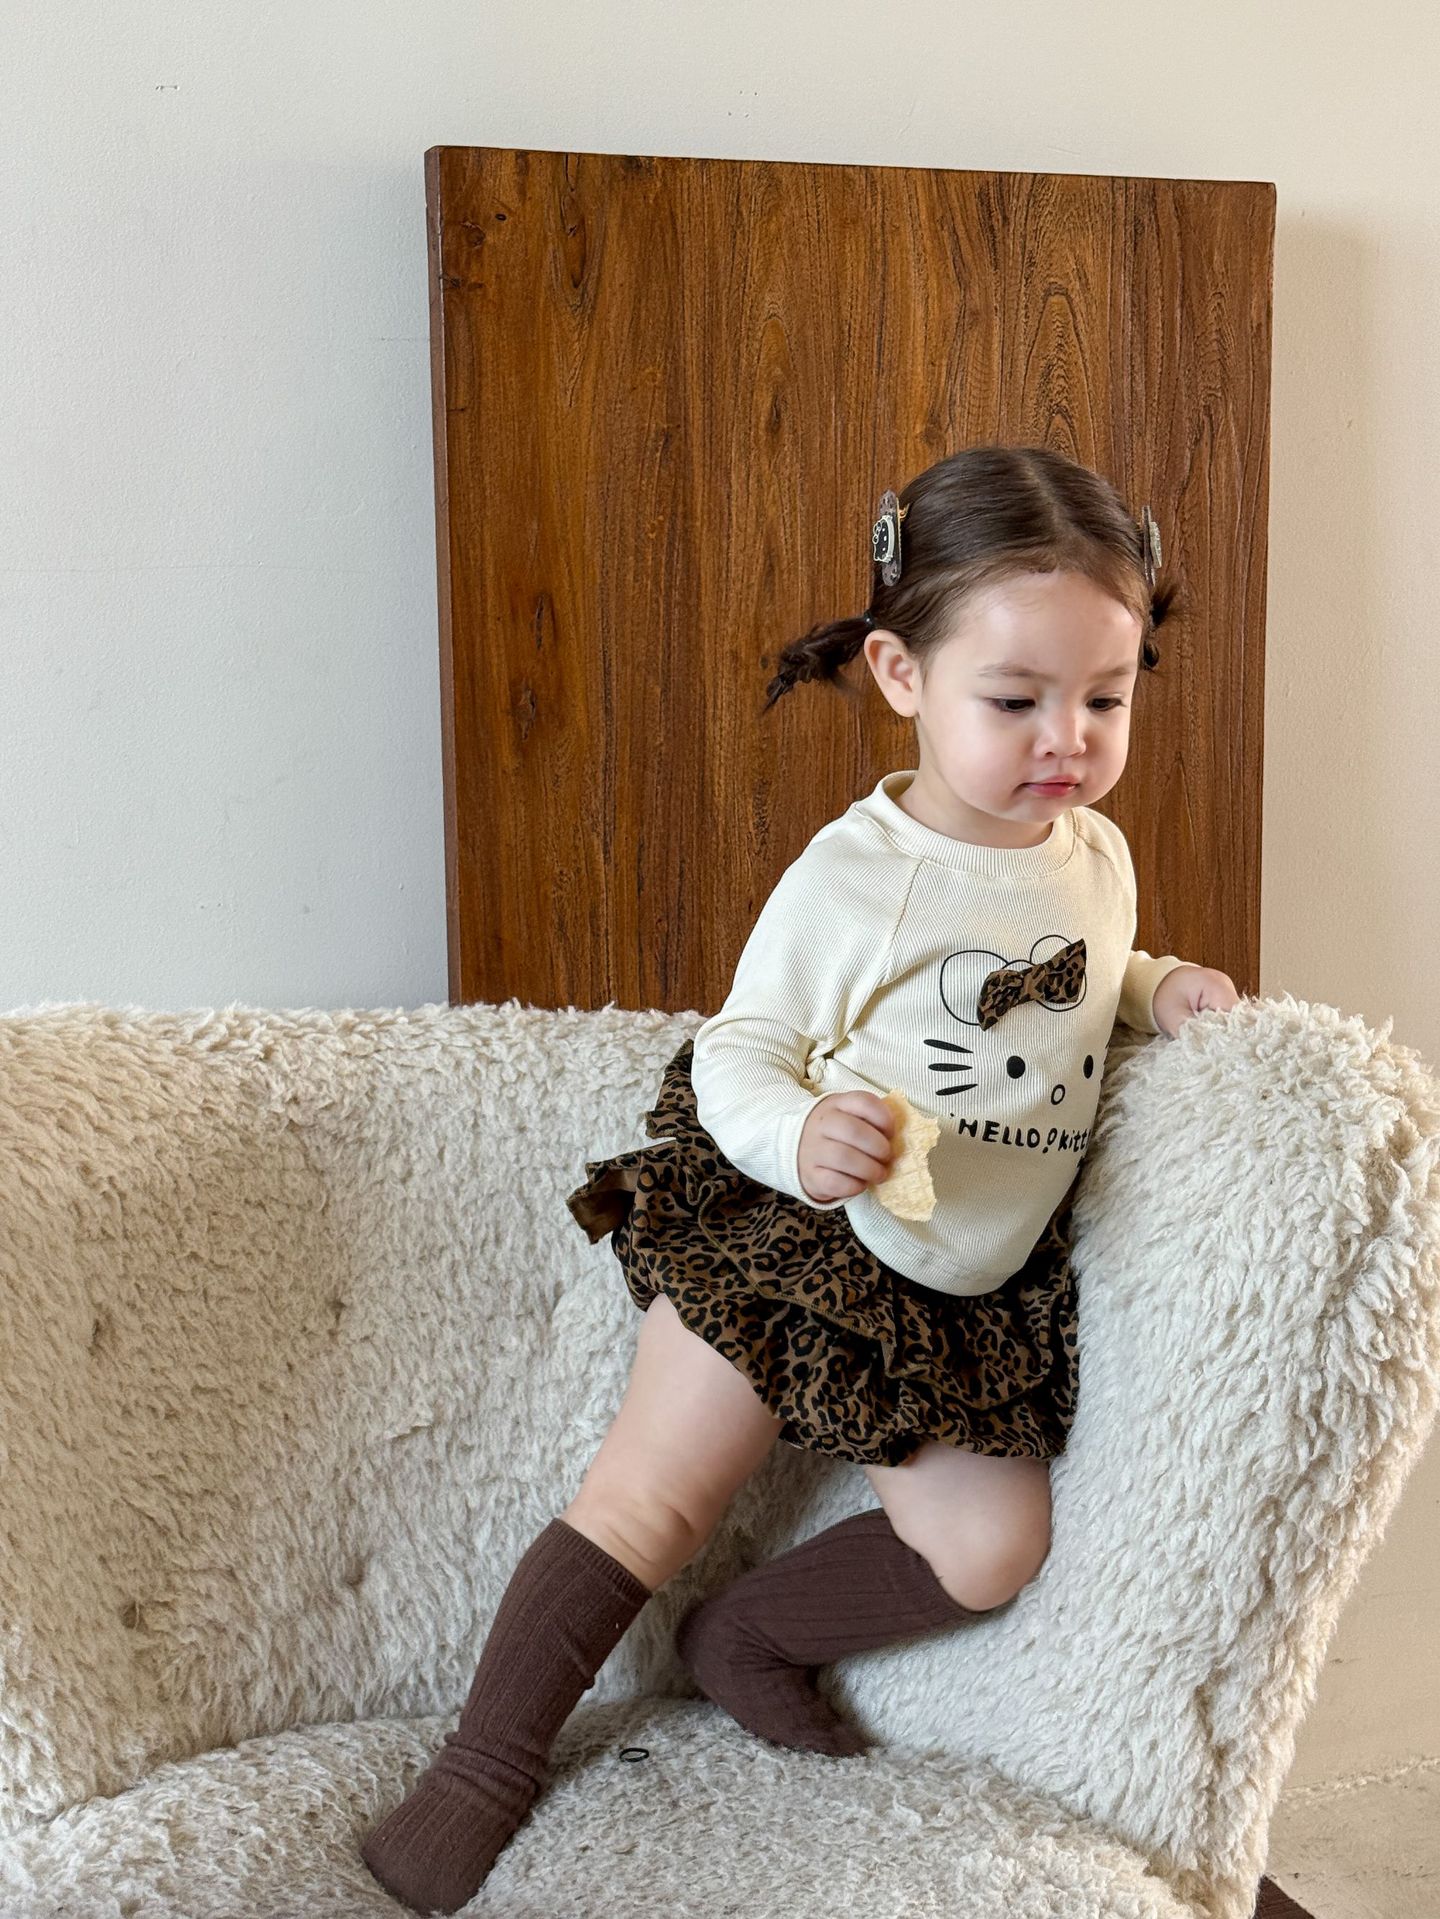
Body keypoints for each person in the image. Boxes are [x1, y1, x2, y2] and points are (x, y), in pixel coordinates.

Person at [359, 442, 1240, 1912]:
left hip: (954, 1279)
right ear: (901, 674)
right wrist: (803, 1134)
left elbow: (1069, 978)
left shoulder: (1089, 851)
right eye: (1015, 701)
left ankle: (751, 1637)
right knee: (651, 1498)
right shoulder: (858, 875)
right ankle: (482, 1765)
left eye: (1107, 698)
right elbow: (741, 1050)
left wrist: (1158, 990)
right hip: (794, 1228)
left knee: (991, 1549)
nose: (1067, 741)